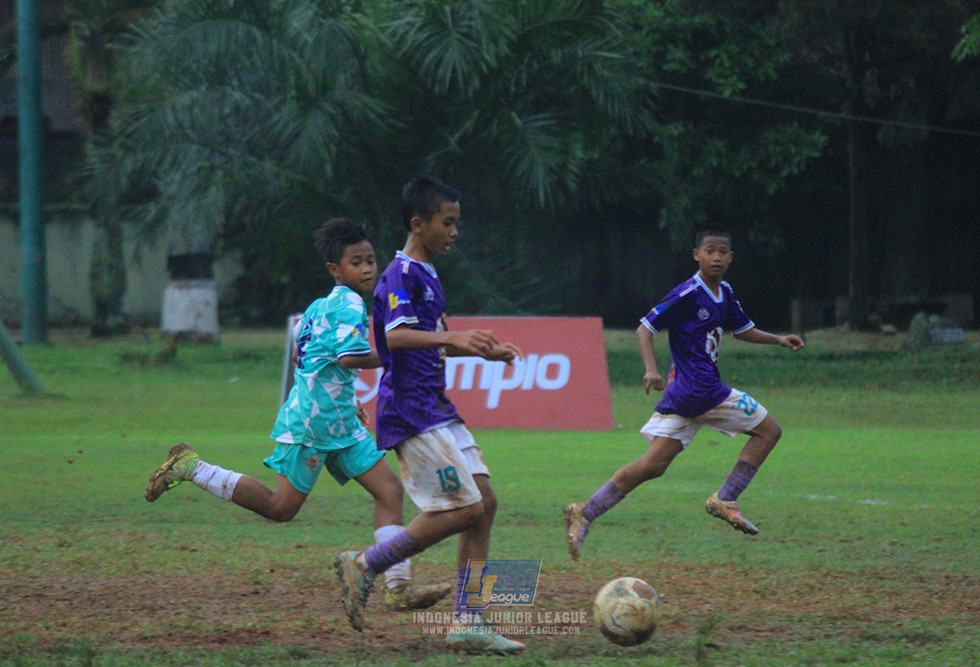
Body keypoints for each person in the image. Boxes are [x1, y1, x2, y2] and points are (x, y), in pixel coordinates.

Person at [144, 217, 450, 612]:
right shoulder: (350, 303)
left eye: (371, 259)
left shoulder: (320, 305)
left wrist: (345, 395)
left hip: (338, 421)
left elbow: (300, 356)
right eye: (356, 262)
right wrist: (398, 356)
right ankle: (191, 467)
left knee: (389, 491)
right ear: (335, 270)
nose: (368, 268)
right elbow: (349, 356)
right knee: (281, 508)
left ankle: (399, 586)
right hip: (311, 425)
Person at [333, 176, 526, 655]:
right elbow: (394, 340)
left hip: (436, 406)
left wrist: (478, 351)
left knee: (485, 503)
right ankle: (367, 563)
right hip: (411, 411)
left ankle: (470, 620)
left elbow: (427, 344)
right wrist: (453, 339)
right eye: (448, 222)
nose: (455, 231)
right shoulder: (400, 274)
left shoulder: (428, 273)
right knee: (465, 509)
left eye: (456, 222)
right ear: (419, 225)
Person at [563, 228, 804, 559]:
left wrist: (778, 339)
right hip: (702, 390)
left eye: (723, 252)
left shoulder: (725, 292)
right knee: (769, 430)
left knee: (652, 465)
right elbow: (645, 327)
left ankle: (585, 512)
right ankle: (726, 497)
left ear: (730, 258)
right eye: (710, 251)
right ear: (697, 255)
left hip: (685, 393)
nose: (716, 257)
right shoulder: (688, 292)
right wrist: (650, 369)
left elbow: (742, 329)